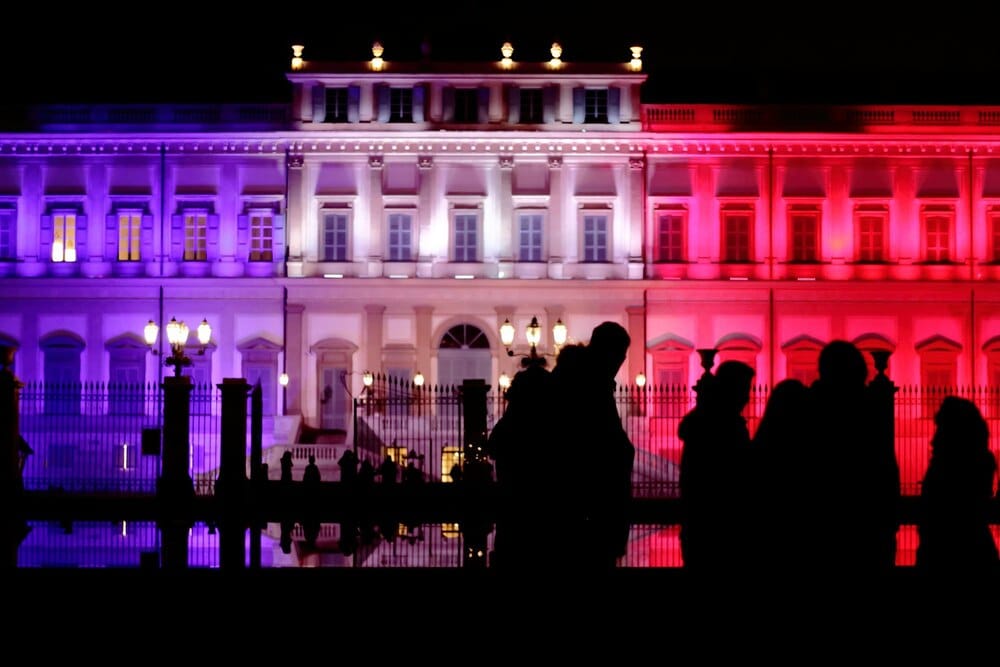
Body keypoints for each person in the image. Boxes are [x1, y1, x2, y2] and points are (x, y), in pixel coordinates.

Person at [558, 322, 636, 571]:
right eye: (621, 355)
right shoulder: (591, 385)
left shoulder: (579, 378)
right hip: (591, 510)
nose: (621, 362)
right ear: (610, 353)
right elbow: (601, 444)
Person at [678, 360, 755, 573]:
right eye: (744, 389)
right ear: (733, 390)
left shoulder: (701, 423)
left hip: (697, 526)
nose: (747, 397)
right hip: (721, 529)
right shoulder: (728, 428)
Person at [917, 396, 998, 574]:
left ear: (954, 436)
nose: (933, 440)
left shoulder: (944, 471)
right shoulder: (980, 465)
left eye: (940, 430)